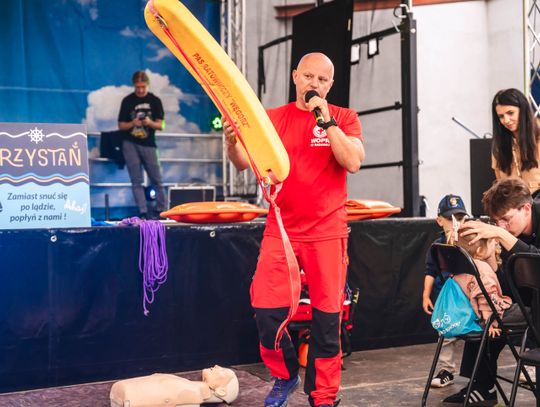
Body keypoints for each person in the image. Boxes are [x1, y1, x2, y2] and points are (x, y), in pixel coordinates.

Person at [224, 52, 365, 407]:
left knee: (327, 320)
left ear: (330, 85)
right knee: (266, 310)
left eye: (322, 79)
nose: (314, 83)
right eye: (308, 76)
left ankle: (323, 395)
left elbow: (352, 161)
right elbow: (242, 163)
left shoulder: (344, 118)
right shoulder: (272, 119)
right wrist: (231, 142)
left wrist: (327, 121)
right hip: (282, 231)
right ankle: (285, 375)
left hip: (327, 233)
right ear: (295, 77)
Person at [443, 177, 540, 405]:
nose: (502, 226)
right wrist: (490, 262)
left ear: (526, 209)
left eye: (506, 219)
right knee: (486, 316)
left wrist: (502, 235)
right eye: (497, 222)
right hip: (529, 301)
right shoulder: (509, 233)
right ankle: (482, 386)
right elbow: (510, 289)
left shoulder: (507, 234)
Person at [422, 194, 469, 388]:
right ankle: (446, 370)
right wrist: (426, 295)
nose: (455, 222)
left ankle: (481, 375)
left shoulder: (471, 241)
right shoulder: (437, 246)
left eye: (460, 217)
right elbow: (430, 271)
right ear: (439, 220)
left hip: (470, 299)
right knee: (446, 335)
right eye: (450, 218)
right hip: (447, 300)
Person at [453, 228, 522, 339]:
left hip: (468, 316)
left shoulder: (458, 268)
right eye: (491, 241)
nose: (495, 243)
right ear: (479, 251)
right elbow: (486, 299)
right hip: (486, 318)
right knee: (531, 313)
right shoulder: (483, 269)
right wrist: (491, 324)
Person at [118, 70, 167, 219]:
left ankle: (161, 210)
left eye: (143, 87)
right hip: (130, 143)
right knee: (136, 180)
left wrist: (149, 122)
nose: (140, 90)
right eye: (137, 87)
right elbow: (121, 125)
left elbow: (161, 125)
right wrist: (133, 123)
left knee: (157, 179)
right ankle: (143, 212)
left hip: (149, 144)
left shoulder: (155, 100)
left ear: (148, 85)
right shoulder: (127, 101)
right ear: (134, 85)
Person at [110, 365, 239, 406]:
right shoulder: (187, 385)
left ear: (221, 391)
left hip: (128, 396)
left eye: (223, 372)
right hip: (125, 392)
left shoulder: (191, 391)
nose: (217, 366)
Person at [491, 88, 540, 194]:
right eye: (501, 116)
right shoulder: (499, 145)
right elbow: (500, 182)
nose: (506, 120)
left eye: (510, 113)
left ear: (523, 110)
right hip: (512, 203)